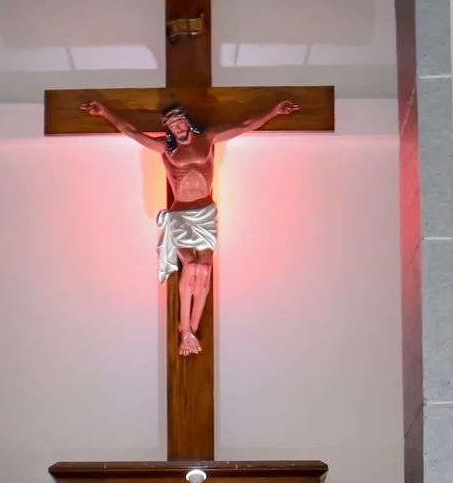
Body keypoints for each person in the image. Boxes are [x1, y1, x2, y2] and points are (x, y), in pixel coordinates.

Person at [77, 94, 300, 355]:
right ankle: (185, 329)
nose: (178, 128)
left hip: (205, 213)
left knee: (204, 269)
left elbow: (246, 124)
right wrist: (104, 111)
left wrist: (273, 110)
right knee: (191, 266)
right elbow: (130, 130)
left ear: (188, 122)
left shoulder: (208, 138)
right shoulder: (166, 149)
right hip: (181, 214)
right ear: (168, 129)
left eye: (181, 122)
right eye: (172, 125)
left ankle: (192, 330)